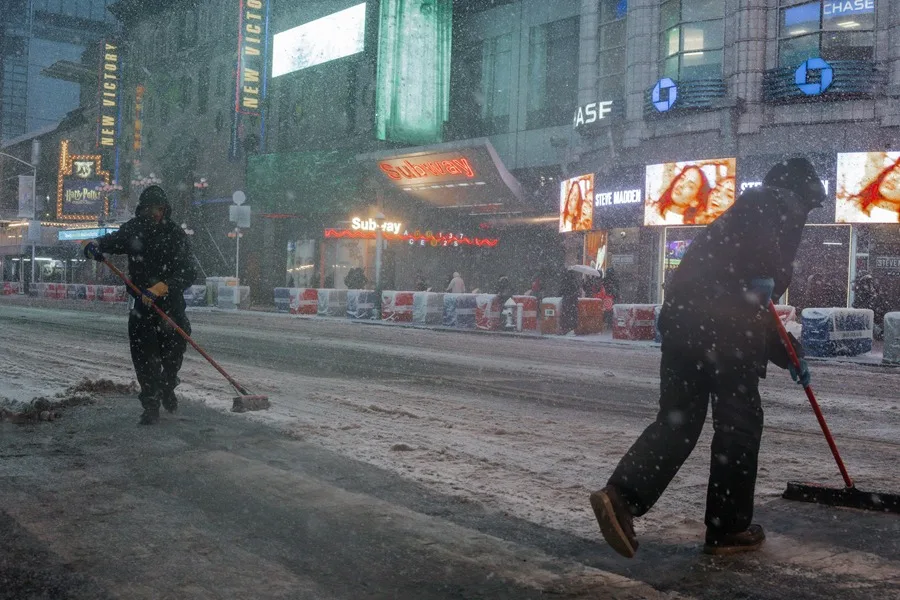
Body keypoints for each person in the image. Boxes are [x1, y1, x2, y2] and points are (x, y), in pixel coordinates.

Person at [590, 158, 824, 558]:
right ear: (798, 193)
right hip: (725, 335)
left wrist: (791, 356)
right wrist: (766, 272)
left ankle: (622, 497)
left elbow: (755, 305)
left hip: (685, 326)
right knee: (739, 425)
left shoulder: (735, 230)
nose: (804, 215)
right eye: (807, 205)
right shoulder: (769, 202)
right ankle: (727, 528)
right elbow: (751, 298)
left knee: (677, 421)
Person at [82, 186, 197, 425]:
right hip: (142, 307)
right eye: (150, 208)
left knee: (173, 353)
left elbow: (188, 272)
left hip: (171, 306)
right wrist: (94, 245)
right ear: (143, 209)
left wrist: (163, 286)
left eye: (159, 208)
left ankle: (167, 385)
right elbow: (110, 241)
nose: (155, 213)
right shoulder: (134, 230)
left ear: (165, 209)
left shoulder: (175, 235)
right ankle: (151, 404)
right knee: (145, 358)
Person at [559, 269, 581, 334]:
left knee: (566, 314)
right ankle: (573, 328)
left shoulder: (565, 280)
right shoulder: (575, 281)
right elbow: (577, 290)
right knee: (573, 314)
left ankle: (565, 328)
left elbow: (561, 290)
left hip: (567, 299)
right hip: (574, 300)